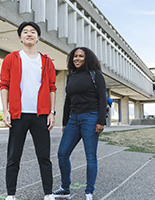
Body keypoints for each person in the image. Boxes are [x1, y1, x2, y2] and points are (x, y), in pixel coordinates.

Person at [0, 21, 56, 200]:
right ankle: (11, 194)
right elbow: (4, 85)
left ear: (38, 37)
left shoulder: (46, 61)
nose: (29, 34)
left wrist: (51, 112)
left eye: (33, 32)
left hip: (41, 115)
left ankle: (48, 193)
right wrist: (5, 110)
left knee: (44, 157)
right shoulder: (11, 58)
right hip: (18, 114)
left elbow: (52, 88)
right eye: (25, 32)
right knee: (13, 156)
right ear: (20, 37)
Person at [53, 47, 107, 200]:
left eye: (80, 56)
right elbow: (67, 101)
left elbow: (102, 98)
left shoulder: (95, 74)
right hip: (73, 119)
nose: (77, 59)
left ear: (87, 58)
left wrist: (100, 121)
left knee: (90, 156)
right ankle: (65, 188)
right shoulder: (71, 76)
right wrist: (64, 123)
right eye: (75, 56)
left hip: (91, 117)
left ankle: (89, 191)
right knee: (62, 154)